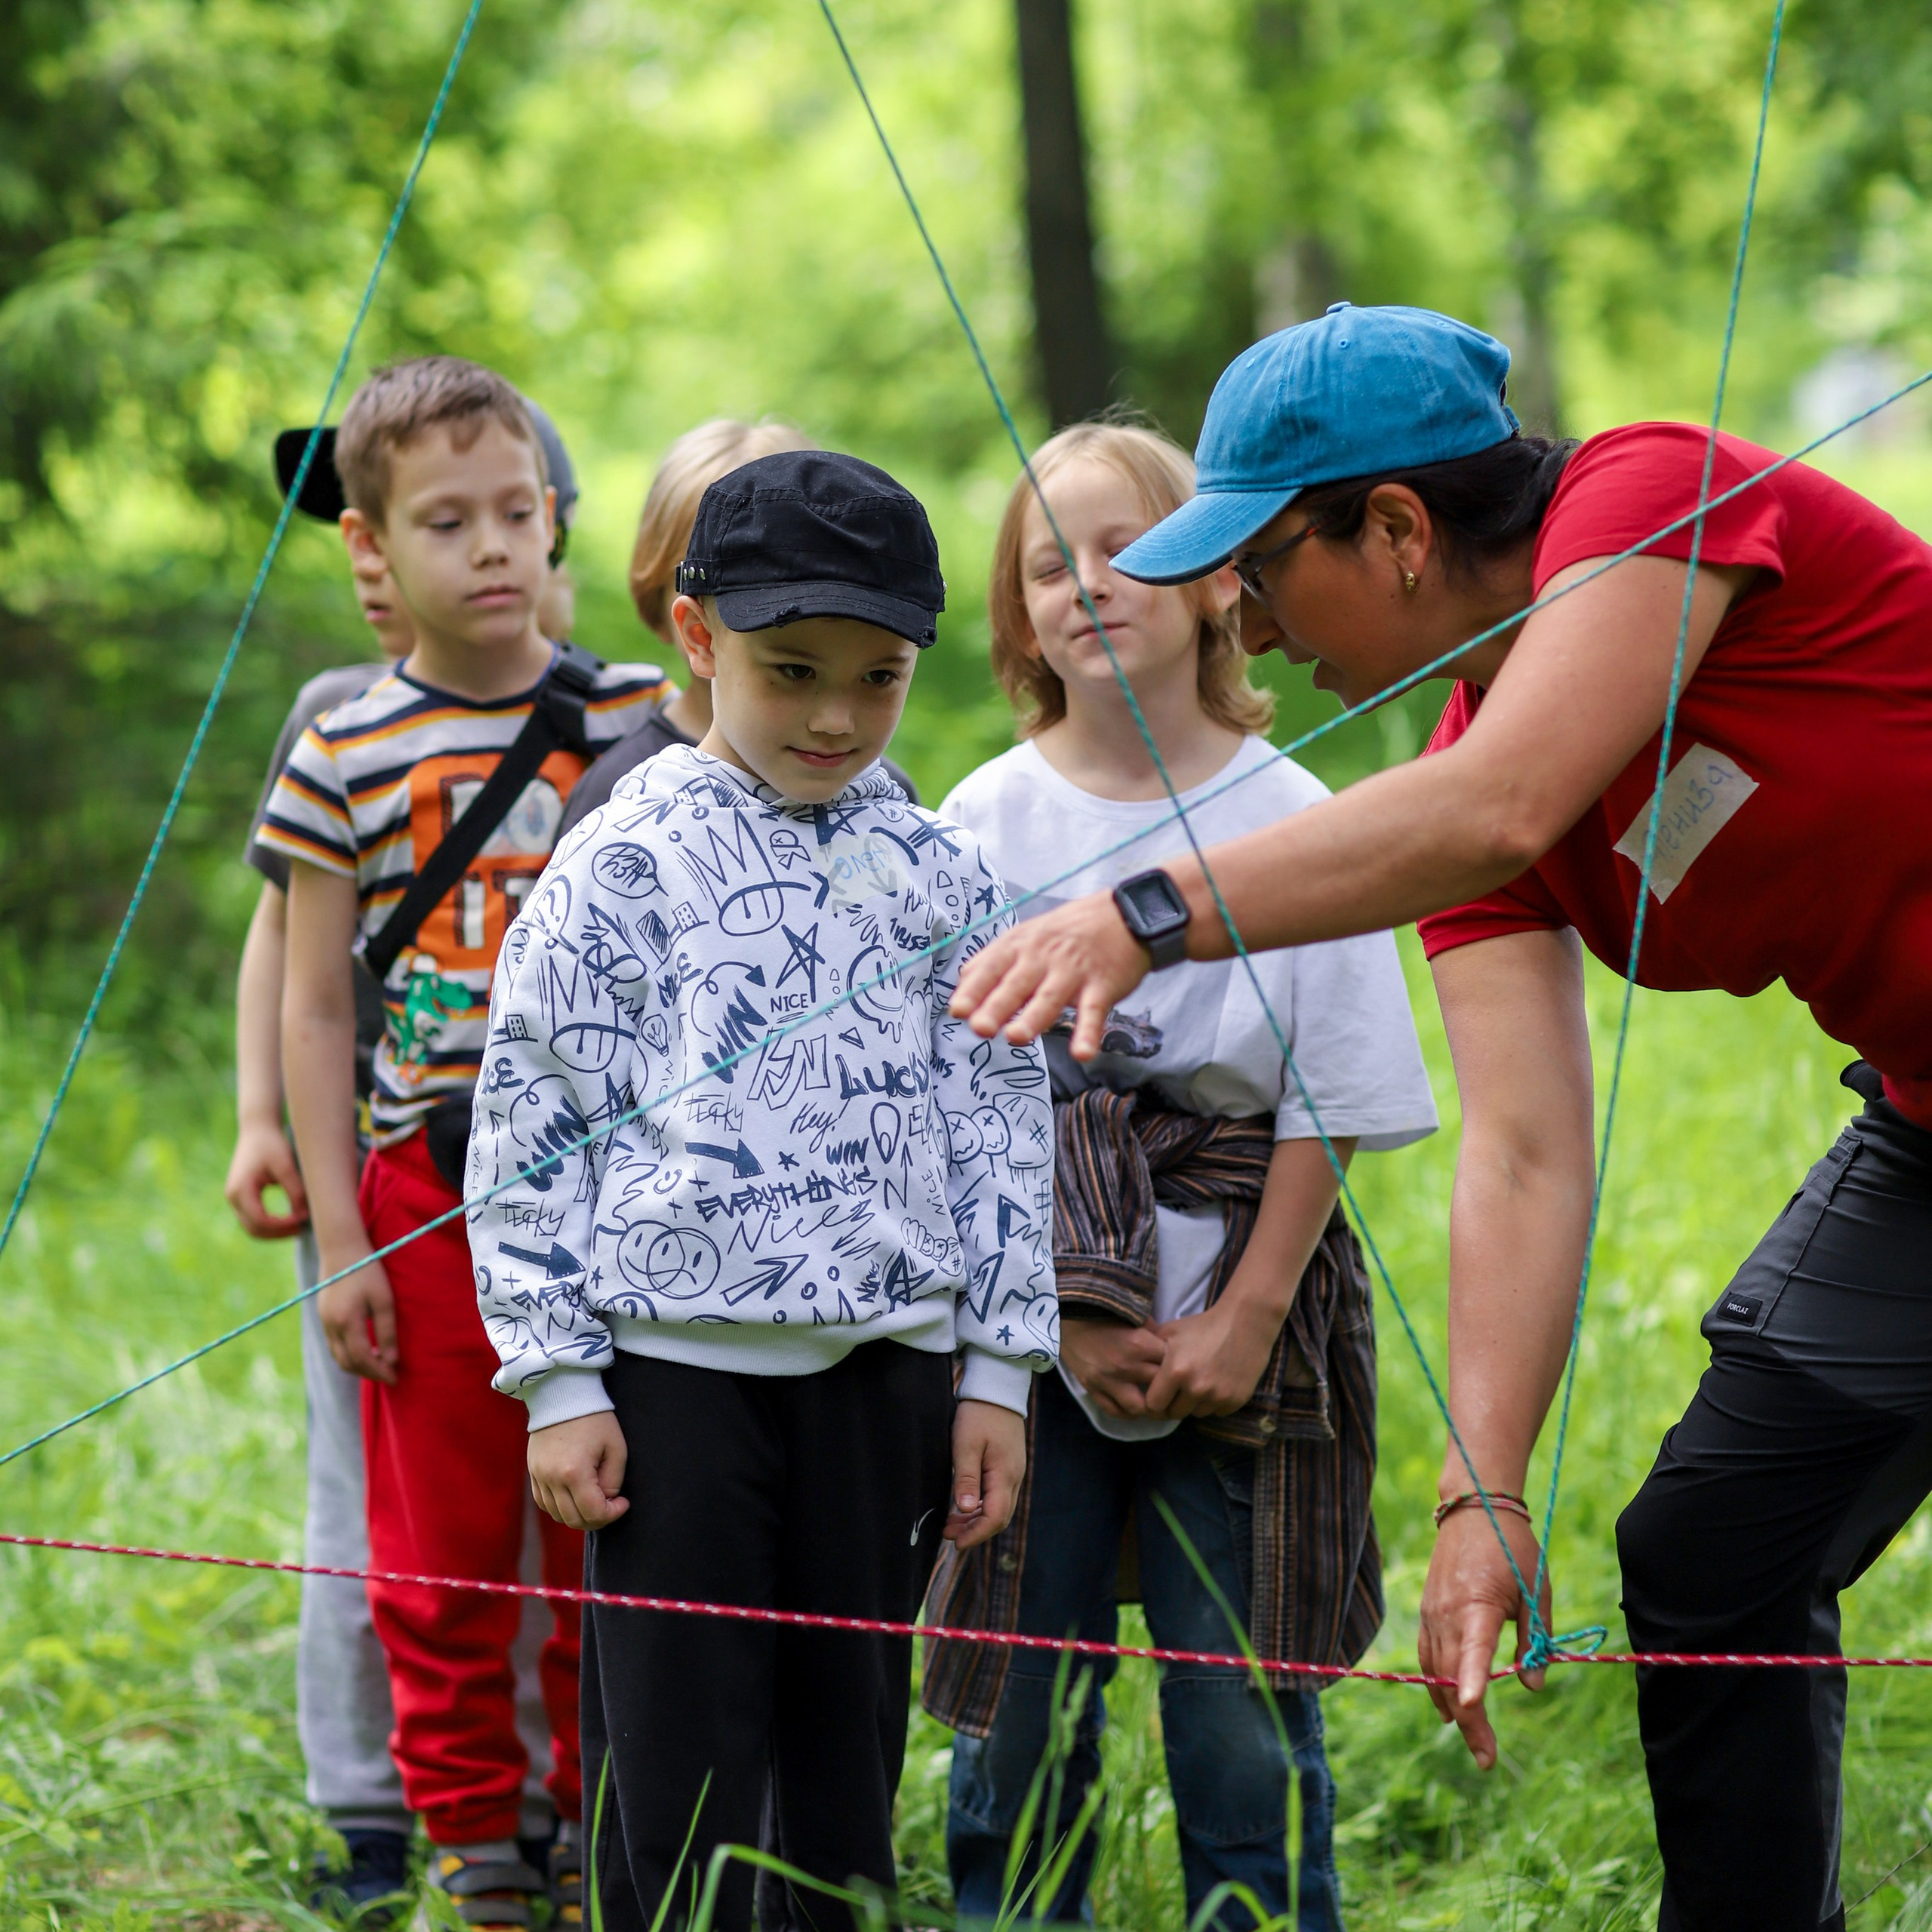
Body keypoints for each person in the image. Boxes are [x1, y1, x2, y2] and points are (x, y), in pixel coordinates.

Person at [946, 302, 1932, 1932]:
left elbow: (1497, 804)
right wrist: (1480, 1490)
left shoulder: (1649, 494)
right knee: (1706, 1549)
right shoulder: (1467, 783)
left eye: (1259, 571)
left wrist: (1143, 909)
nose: (1243, 629)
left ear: (1395, 530)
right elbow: (1523, 1147)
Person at [466, 449, 1059, 1932]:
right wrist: (554, 1376)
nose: (833, 717)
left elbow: (998, 1122)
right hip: (672, 1392)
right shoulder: (617, 865)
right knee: (675, 1759)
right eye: (790, 668)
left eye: (879, 678)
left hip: (886, 1383)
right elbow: (531, 1121)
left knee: (847, 1742)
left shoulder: (938, 872)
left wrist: (997, 1367)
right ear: (693, 632)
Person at [921, 423, 1436, 1932]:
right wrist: (1042, 1324)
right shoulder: (980, 819)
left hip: (1240, 1305)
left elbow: (1327, 1090)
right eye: (1043, 562)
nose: (1086, 583)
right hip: (1032, 1328)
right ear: (1015, 618)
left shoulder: (1294, 817)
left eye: (1123, 548)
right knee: (1020, 1707)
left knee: (1235, 1711)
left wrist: (1244, 1317)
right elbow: (957, 1100)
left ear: (1219, 581)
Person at [259, 355, 670, 1930]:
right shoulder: (341, 751)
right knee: (436, 1549)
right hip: (420, 1194)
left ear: (556, 520)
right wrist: (343, 1244)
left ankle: (587, 1808)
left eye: (518, 511)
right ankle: (472, 1837)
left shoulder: (642, 716)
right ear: (371, 545)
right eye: (446, 520)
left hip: (614, 1193)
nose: (491, 546)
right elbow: (310, 1010)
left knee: (597, 1518)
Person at [554, 417, 916, 843]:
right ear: (693, 627)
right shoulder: (619, 795)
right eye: (700, 569)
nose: (832, 721)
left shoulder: (879, 793)